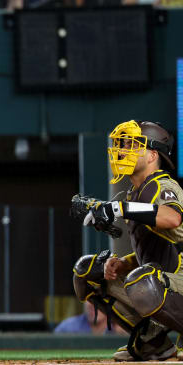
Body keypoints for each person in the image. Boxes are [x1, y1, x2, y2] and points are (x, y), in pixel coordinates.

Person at [71, 120, 183, 361]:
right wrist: (122, 264)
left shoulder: (164, 185)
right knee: (88, 271)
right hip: (168, 278)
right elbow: (160, 253)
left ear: (153, 155)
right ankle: (155, 343)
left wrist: (121, 207)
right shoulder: (136, 192)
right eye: (121, 145)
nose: (122, 150)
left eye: (132, 145)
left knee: (141, 282)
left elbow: (173, 219)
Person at [54, 301, 125, 334]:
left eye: (98, 299)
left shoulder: (121, 329)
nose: (93, 305)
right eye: (89, 300)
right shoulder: (68, 327)